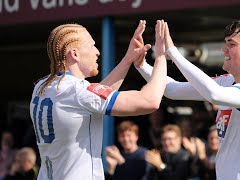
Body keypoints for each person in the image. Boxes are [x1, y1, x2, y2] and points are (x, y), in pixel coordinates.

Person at [136, 17, 240, 179]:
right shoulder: (226, 82)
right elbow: (172, 89)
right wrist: (141, 65)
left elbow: (214, 94)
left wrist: (173, 52)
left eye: (231, 44)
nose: (224, 50)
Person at [29, 20, 168, 180]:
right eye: (91, 46)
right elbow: (150, 101)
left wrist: (128, 59)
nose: (97, 52)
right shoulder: (77, 91)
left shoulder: (42, 86)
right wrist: (161, 56)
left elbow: (94, 97)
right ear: (75, 54)